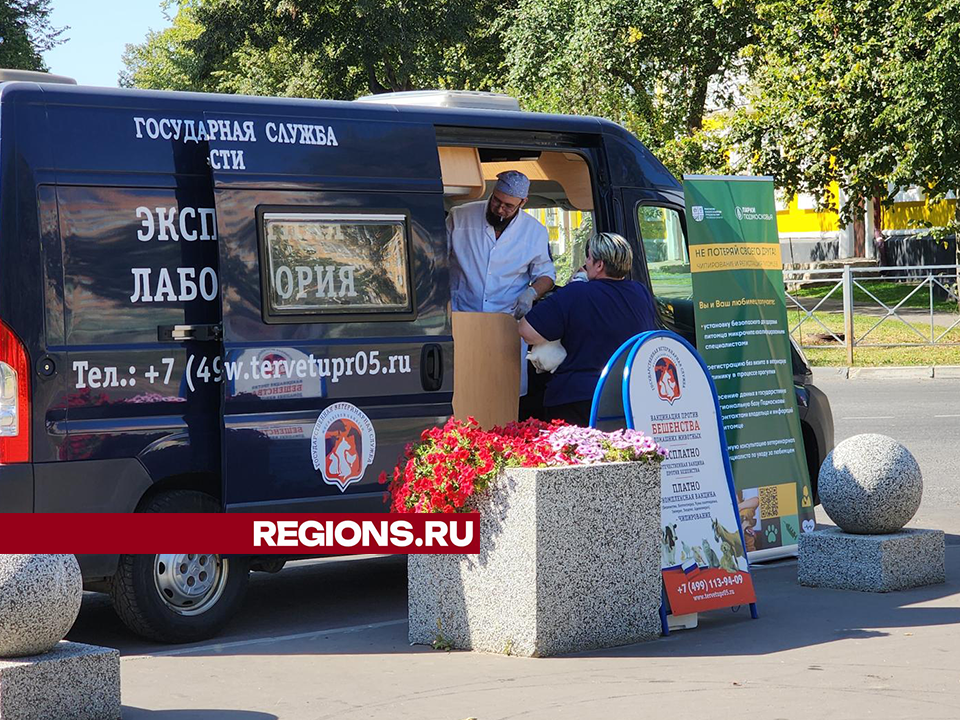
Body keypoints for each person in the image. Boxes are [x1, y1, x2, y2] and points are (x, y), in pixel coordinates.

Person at [518, 232, 657, 425]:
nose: (586, 262)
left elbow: (527, 331)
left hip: (577, 399)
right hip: (626, 395)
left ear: (599, 265)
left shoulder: (577, 293)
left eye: (589, 258)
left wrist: (576, 284)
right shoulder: (641, 293)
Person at [446, 170, 555, 319]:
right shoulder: (460, 216)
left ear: (523, 202)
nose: (499, 209)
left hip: (507, 318)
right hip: (461, 313)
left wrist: (531, 293)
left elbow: (546, 275)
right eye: (496, 200)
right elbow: (435, 259)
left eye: (508, 206)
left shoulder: (536, 232)